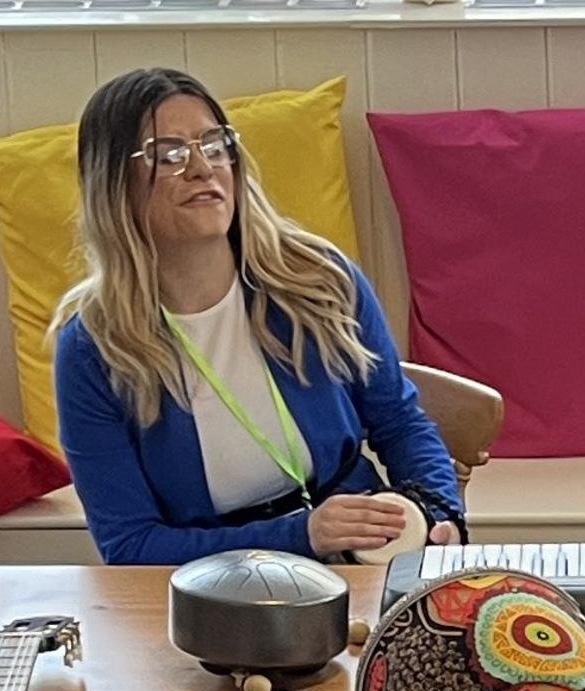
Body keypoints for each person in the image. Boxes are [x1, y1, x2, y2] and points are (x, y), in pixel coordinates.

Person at [52, 67, 466, 568]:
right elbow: (131, 547)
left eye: (214, 144)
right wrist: (300, 535)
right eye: (169, 154)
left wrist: (440, 512)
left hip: (358, 562)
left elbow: (400, 423)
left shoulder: (318, 280)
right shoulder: (93, 349)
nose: (203, 168)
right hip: (211, 585)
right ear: (114, 183)